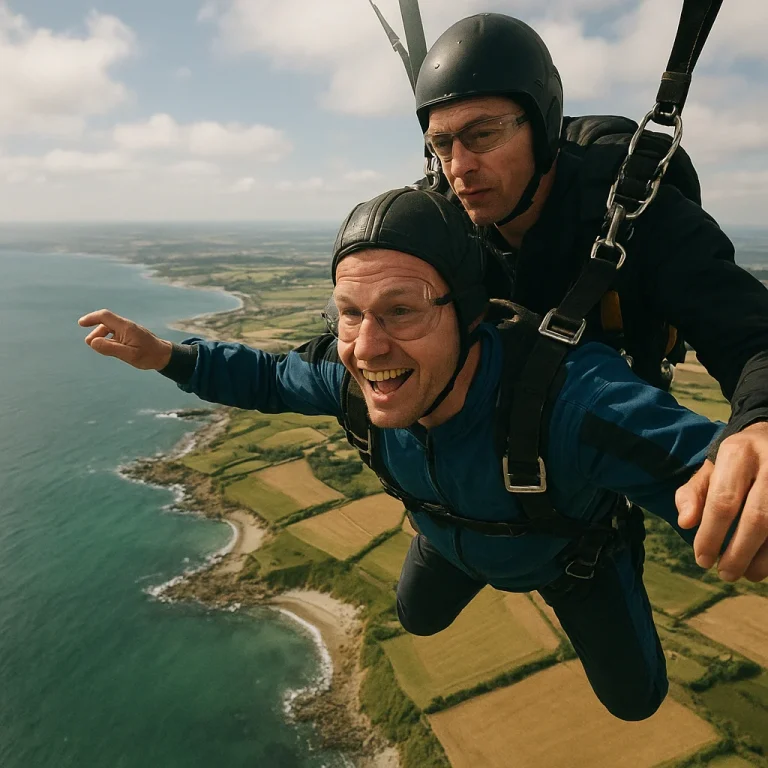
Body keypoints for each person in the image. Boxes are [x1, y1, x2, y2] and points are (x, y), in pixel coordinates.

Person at [80, 188, 759, 721]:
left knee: (635, 701)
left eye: (402, 311)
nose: (367, 348)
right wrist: (164, 355)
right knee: (417, 616)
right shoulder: (352, 383)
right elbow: (266, 379)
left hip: (572, 562)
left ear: (469, 316)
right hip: (445, 533)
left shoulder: (573, 404)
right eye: (350, 312)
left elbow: (720, 475)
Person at [412, 13, 768, 584]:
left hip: (593, 449)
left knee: (628, 671)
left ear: (541, 125)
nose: (459, 168)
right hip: (482, 471)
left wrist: (760, 421)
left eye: (482, 136)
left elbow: (750, 331)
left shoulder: (636, 211)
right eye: (441, 145)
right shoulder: (446, 218)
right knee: (417, 611)